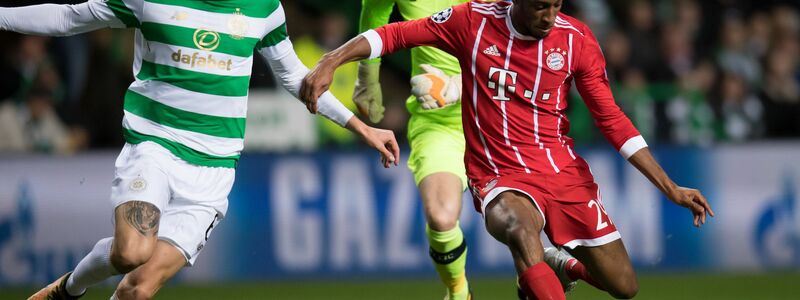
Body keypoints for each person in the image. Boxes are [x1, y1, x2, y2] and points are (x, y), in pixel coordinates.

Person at [301, 1, 714, 299]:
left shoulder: (575, 40)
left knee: (624, 286)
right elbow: (392, 34)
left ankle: (559, 264)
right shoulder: (472, 21)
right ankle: (477, 286)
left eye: (556, 5)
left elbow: (610, 119)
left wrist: (670, 187)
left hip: (562, 171)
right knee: (517, 228)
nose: (549, 17)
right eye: (539, 6)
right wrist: (330, 61)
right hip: (499, 173)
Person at [1, 0, 400, 299]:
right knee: (130, 253)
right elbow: (72, 17)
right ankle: (68, 289)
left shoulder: (263, 7)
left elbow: (295, 76)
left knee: (137, 290)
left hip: (214, 169)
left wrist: (362, 127)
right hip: (155, 146)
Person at [354, 1, 476, 299]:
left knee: (524, 230)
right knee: (441, 218)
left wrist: (458, 85)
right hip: (440, 122)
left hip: (504, 119)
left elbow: (521, 42)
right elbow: (375, 12)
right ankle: (459, 292)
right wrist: (367, 77)